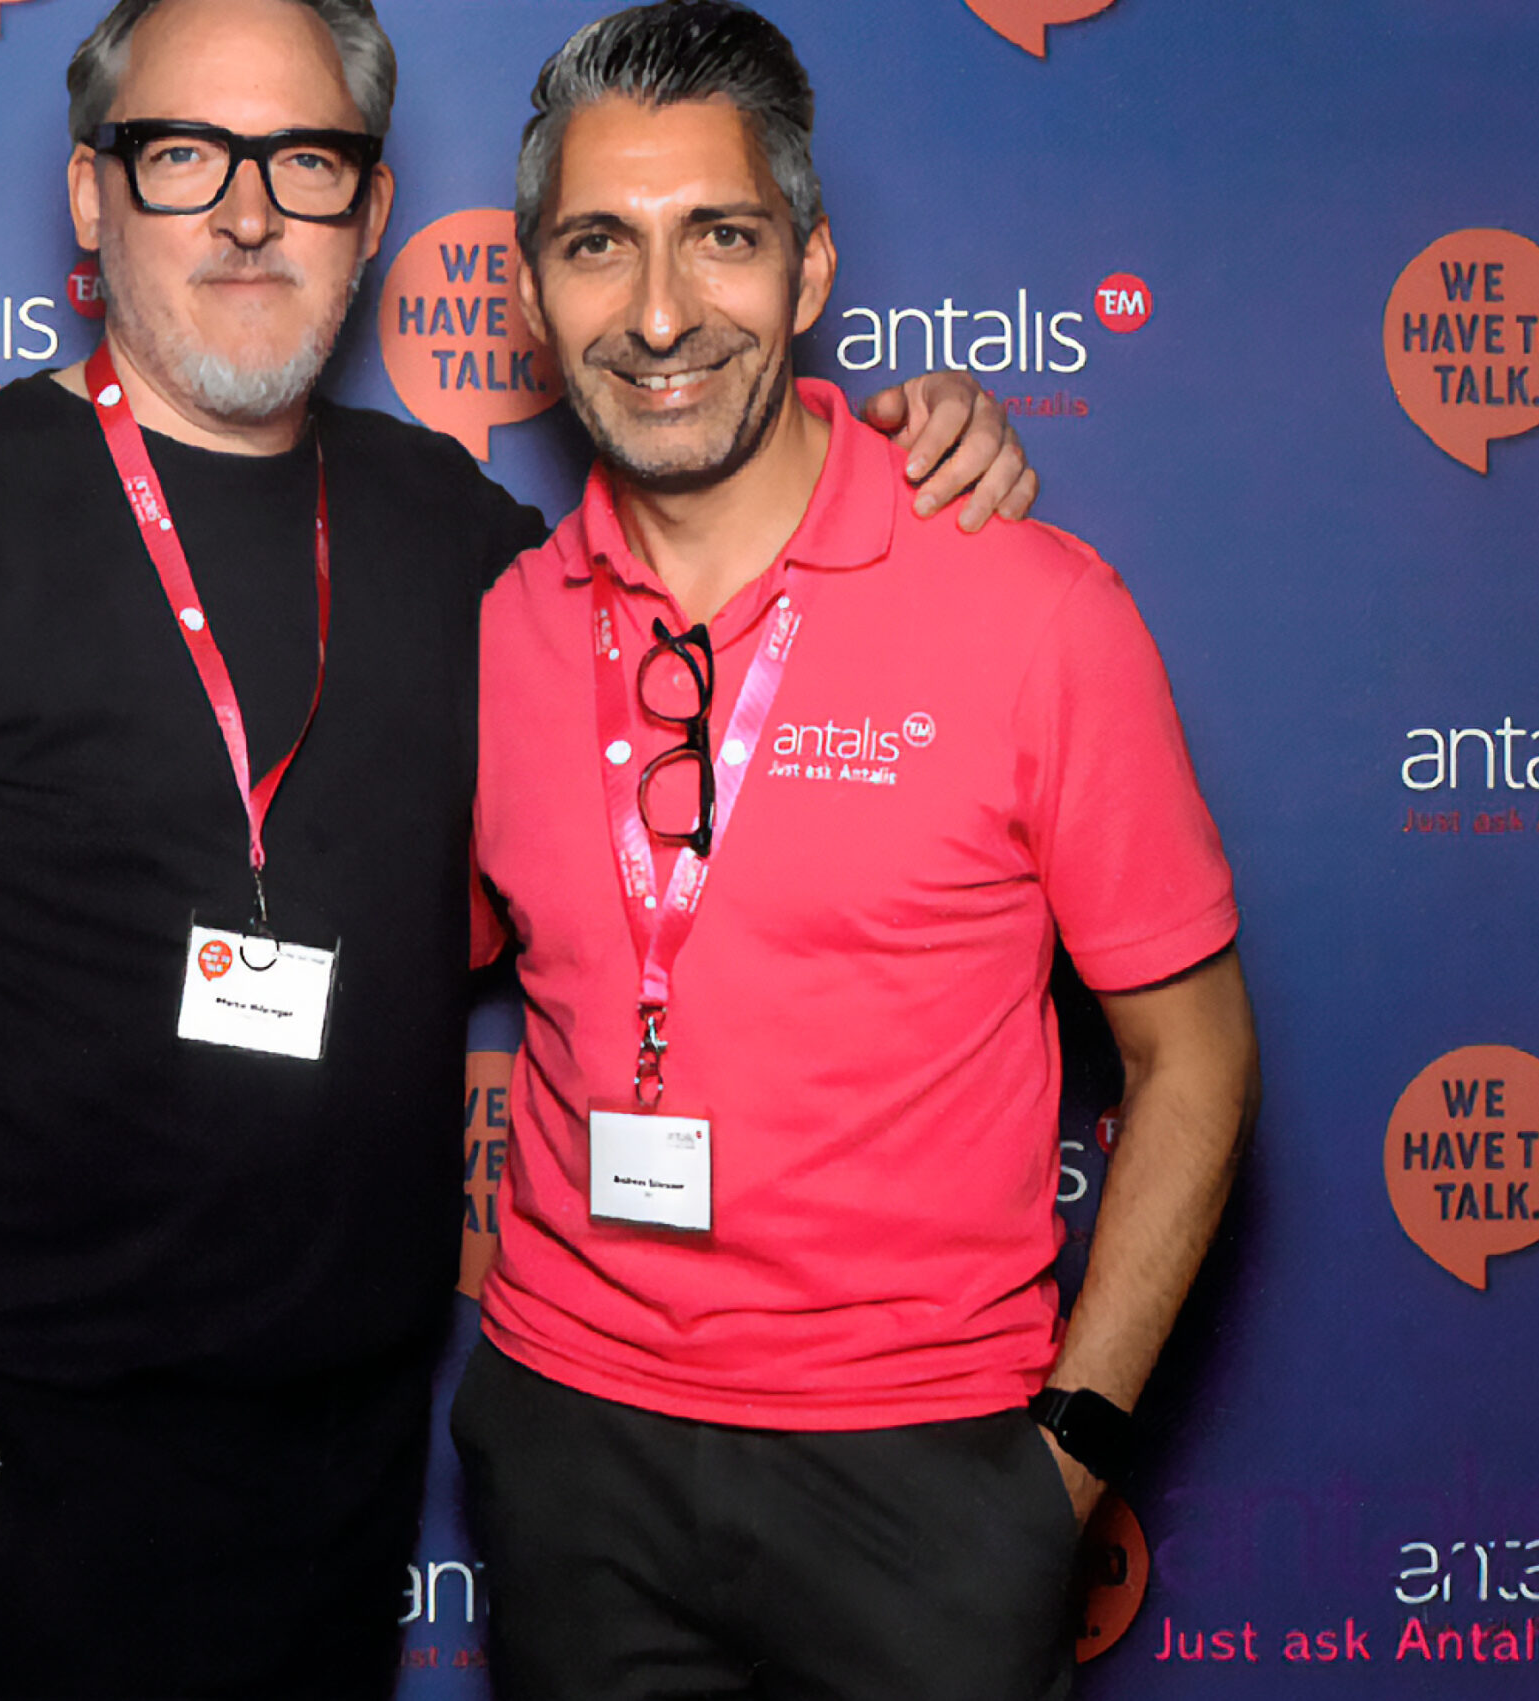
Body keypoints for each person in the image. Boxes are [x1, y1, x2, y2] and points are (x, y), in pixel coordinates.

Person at [0, 0, 1033, 1695]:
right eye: (184, 155)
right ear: (90, 193)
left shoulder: (460, 536)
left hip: (343, 1481)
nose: (247, 211)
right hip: (21, 1465)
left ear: (371, 210)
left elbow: (723, 570)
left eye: (307, 160)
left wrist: (913, 440)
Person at [455, 5, 1261, 1699]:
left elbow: (1194, 1056)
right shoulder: (497, 629)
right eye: (599, 245)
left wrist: (1064, 1457)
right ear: (528, 295)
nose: (659, 312)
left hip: (925, 1479)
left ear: (810, 266)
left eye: (720, 237)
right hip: (572, 1449)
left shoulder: (1034, 609)